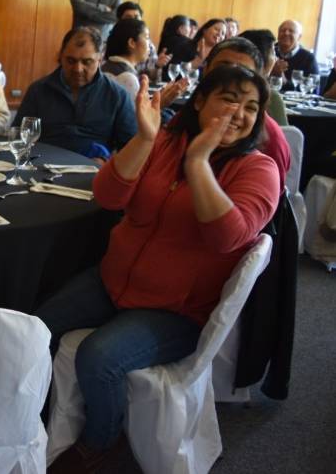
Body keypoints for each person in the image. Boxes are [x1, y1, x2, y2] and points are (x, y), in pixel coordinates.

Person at [39, 66, 280, 473]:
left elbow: (228, 237)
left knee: (99, 359)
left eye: (252, 107)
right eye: (230, 98)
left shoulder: (259, 170)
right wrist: (145, 137)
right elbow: (108, 195)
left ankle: (101, 441)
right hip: (112, 280)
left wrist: (200, 162)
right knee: (39, 326)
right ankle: (32, 415)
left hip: (176, 310)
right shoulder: (166, 141)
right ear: (200, 100)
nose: (240, 112)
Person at [14, 27, 136, 161]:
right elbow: (18, 136)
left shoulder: (118, 96)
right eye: (71, 61)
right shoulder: (38, 90)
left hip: (93, 170)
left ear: (100, 58)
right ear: (60, 56)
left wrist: (107, 162)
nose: (78, 69)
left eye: (87, 62)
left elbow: (131, 148)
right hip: (42, 164)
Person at [200, 37, 292, 191]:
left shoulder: (268, 139)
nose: (231, 80)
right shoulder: (184, 121)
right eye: (222, 69)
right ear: (205, 71)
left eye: (243, 73)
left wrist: (196, 164)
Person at [240, 29, 288, 125]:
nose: (275, 58)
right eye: (273, 52)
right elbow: (285, 136)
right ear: (261, 56)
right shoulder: (270, 97)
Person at [116, 1, 171, 83]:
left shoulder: (147, 45)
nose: (133, 21)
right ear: (119, 21)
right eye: (128, 17)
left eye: (136, 17)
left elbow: (153, 78)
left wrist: (157, 66)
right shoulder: (111, 43)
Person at [101, 18, 151, 99]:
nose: (150, 44)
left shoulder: (106, 66)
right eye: (147, 37)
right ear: (132, 43)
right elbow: (135, 111)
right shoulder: (127, 78)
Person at [272, 20, 319, 90]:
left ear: (299, 37)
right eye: (283, 30)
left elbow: (312, 90)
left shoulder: (308, 58)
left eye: (291, 31)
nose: (286, 33)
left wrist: (284, 80)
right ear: (278, 35)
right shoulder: (269, 53)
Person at [159, 14, 194, 79]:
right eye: (189, 26)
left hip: (163, 78)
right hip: (177, 79)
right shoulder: (183, 41)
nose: (191, 30)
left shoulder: (166, 39)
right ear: (180, 29)